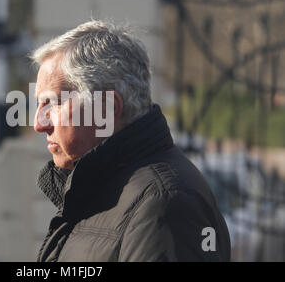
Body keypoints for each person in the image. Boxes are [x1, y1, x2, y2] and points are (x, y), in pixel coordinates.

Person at [31, 20, 231, 261]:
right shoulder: (94, 191)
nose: (39, 123)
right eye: (40, 103)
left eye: (52, 103)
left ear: (106, 109)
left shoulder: (165, 203)